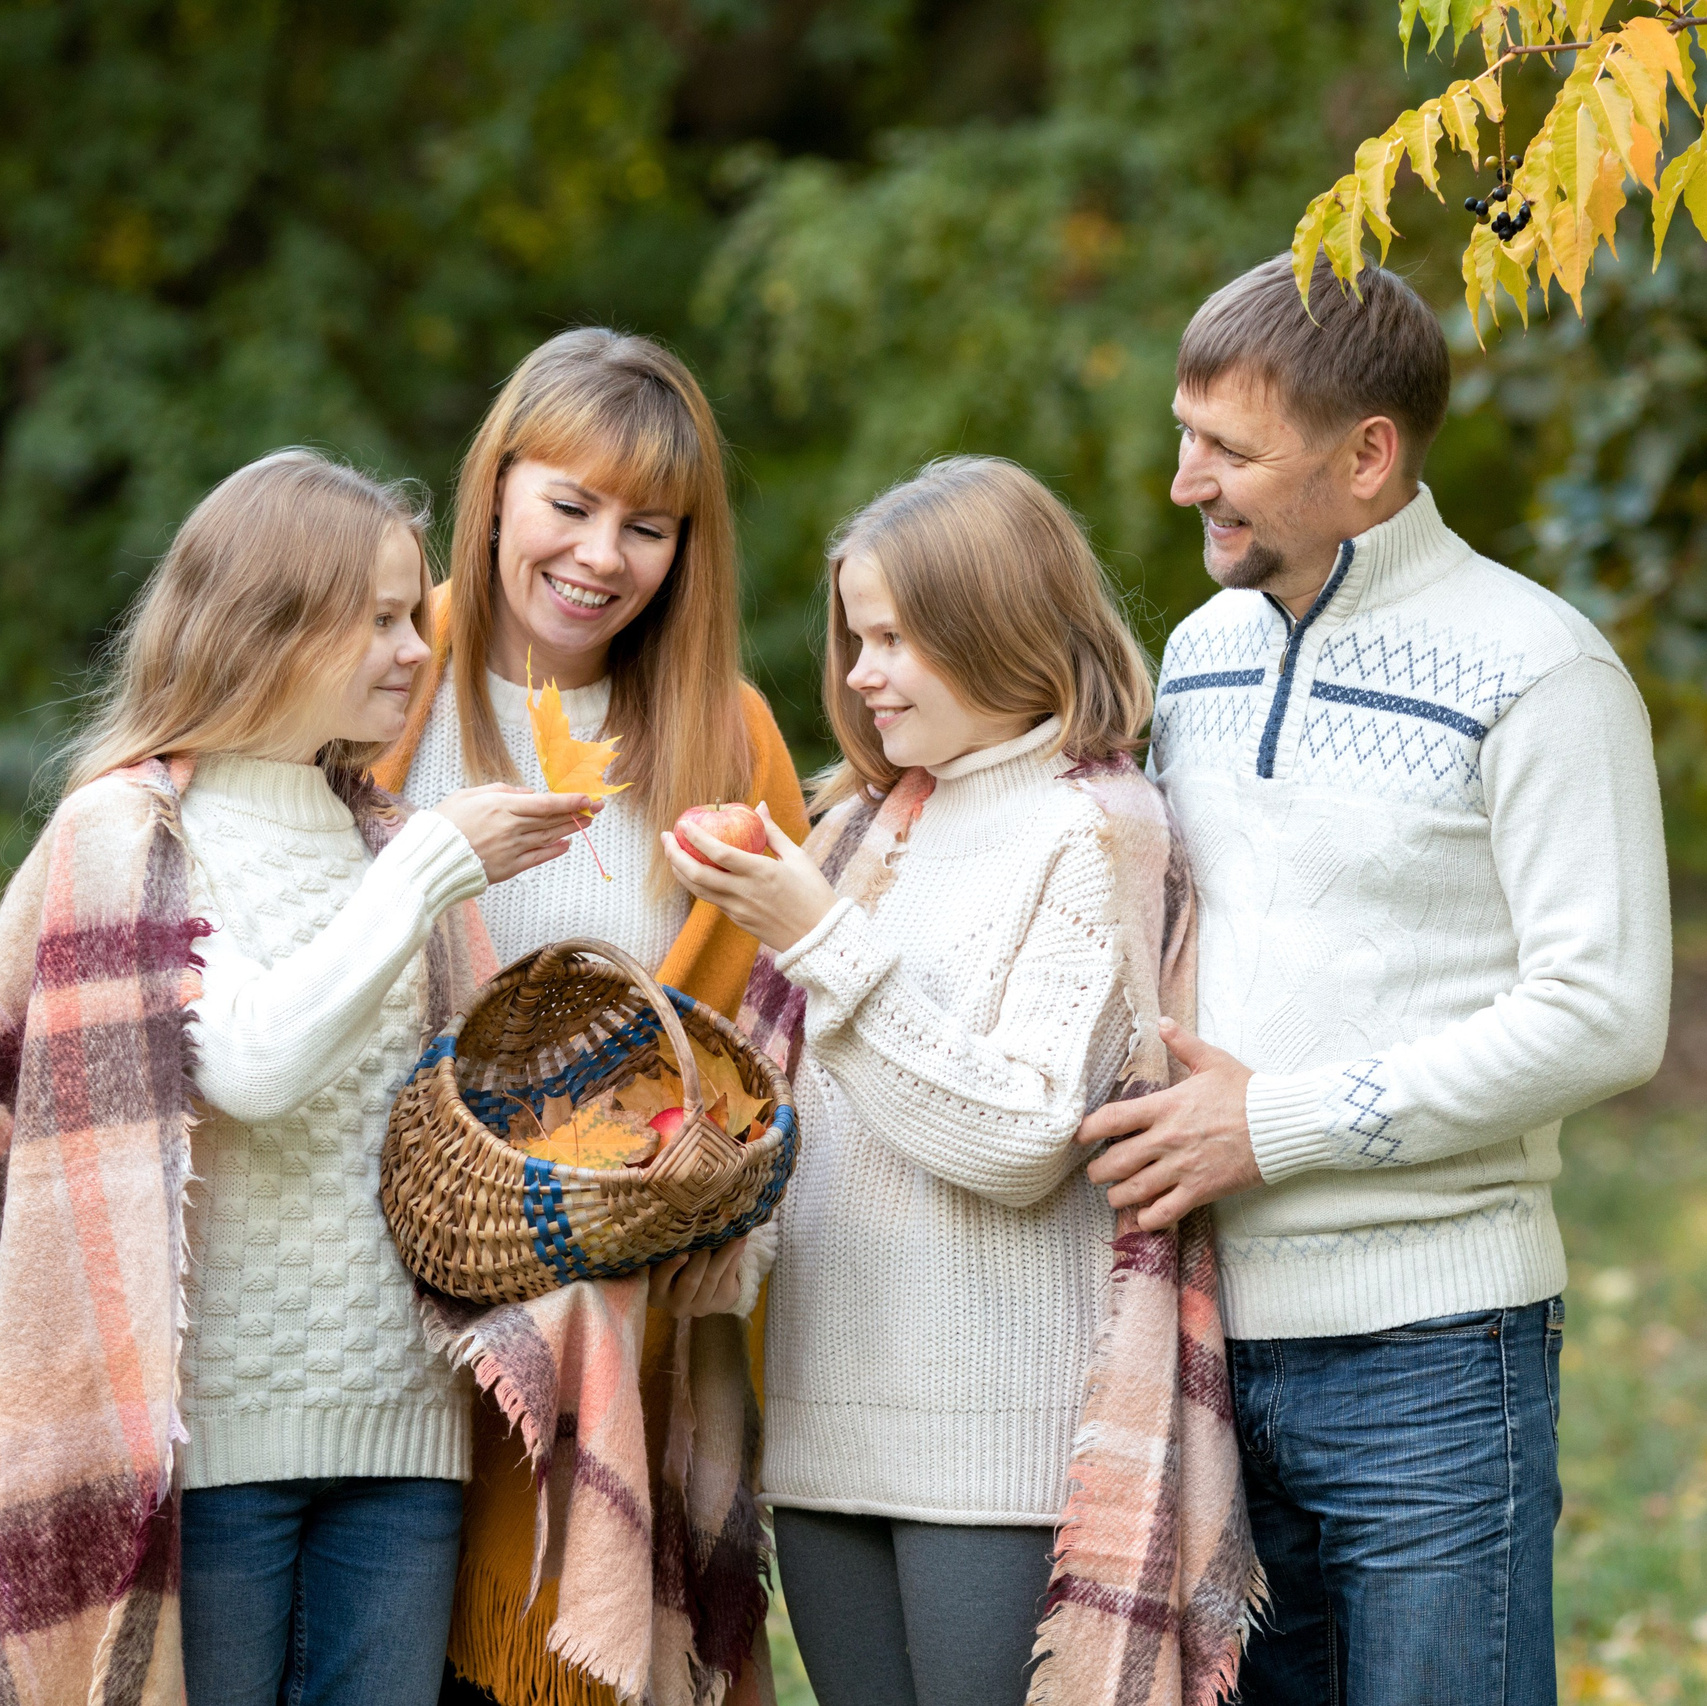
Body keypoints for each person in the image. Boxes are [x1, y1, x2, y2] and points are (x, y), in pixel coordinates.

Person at [1078, 253, 1674, 1705]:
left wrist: (1270, 1122)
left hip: (1434, 1360)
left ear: (1365, 456)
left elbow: (1602, 1012)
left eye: (1226, 449)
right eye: (1182, 432)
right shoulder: (1201, 656)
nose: (1181, 480)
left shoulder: (1537, 670)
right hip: (1214, 1342)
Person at [0, 449, 597, 1706]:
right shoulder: (135, 833)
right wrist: (433, 859)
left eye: (411, 613)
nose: (409, 646)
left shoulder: (374, 833)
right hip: (203, 1446)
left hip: (404, 1428)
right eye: (376, 616)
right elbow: (255, 1062)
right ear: (266, 624)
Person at [664, 456, 1256, 1706]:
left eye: (896, 638)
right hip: (830, 1422)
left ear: (998, 628)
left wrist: (817, 933)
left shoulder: (1095, 823)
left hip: (998, 1441)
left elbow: (1019, 1134)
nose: (864, 671)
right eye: (857, 637)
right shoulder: (861, 829)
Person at [370, 326, 807, 1706]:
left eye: (650, 526)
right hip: (365, 1323)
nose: (602, 555)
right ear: (496, 485)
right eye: (569, 504)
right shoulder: (377, 677)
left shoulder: (724, 736)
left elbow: (776, 1045)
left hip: (612, 1342)